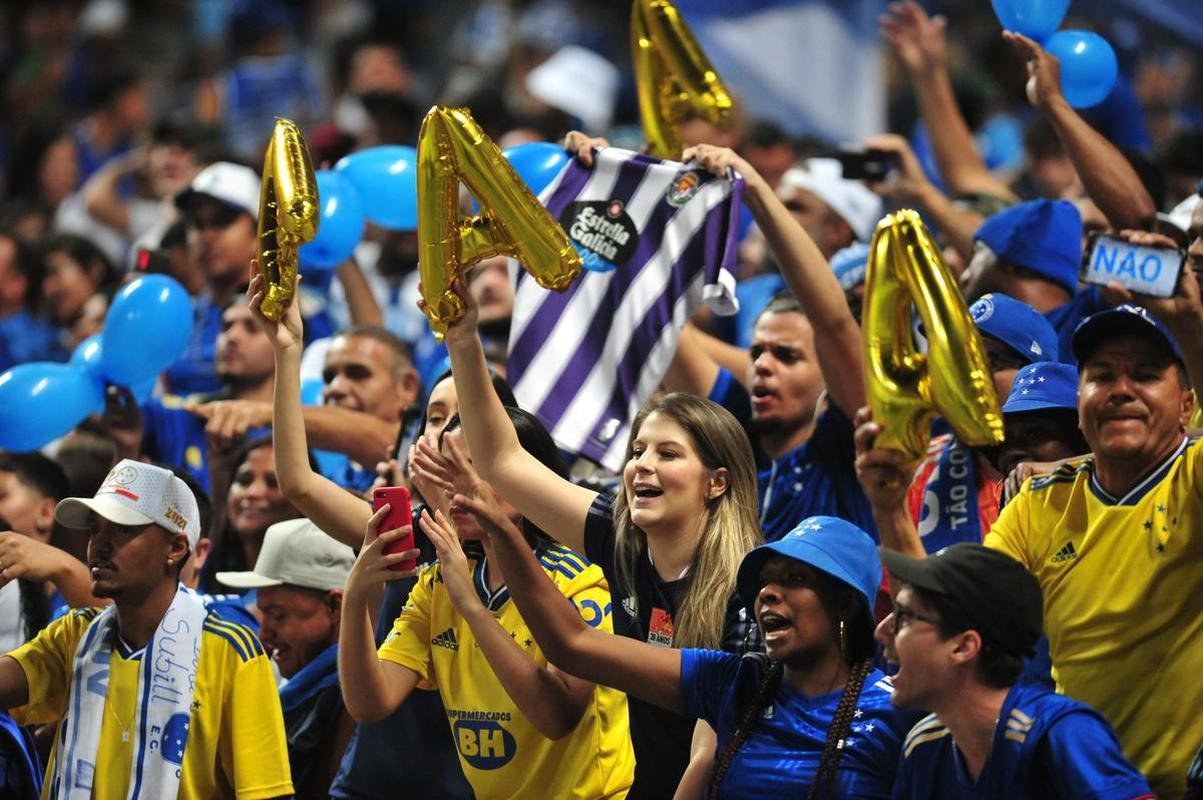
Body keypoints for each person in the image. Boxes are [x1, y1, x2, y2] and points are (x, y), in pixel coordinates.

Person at [253, 270, 634, 799]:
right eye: (434, 420)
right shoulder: (420, 559)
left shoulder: (577, 574)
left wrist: (462, 336)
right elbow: (369, 702)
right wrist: (288, 351)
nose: (446, 444)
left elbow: (557, 715)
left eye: (475, 450)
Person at [444, 275, 763, 796]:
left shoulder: (749, 582)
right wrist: (464, 341)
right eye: (637, 451)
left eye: (668, 454)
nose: (642, 467)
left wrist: (501, 530)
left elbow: (712, 753)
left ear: (717, 482)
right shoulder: (623, 539)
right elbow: (503, 460)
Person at [466, 487, 916, 799]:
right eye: (765, 582)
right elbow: (575, 644)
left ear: (846, 604)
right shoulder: (734, 684)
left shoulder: (898, 711)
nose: (767, 593)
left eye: (795, 579)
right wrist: (501, 533)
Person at [0, 459, 292, 798]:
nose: (99, 545)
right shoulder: (74, 634)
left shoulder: (229, 647)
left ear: (176, 549)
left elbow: (269, 793)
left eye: (123, 529)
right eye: (95, 528)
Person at [878, 543, 1153, 799]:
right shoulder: (923, 746)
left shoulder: (1061, 734)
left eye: (904, 617)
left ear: (964, 647)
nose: (881, 631)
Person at [217, 518, 356, 799]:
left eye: (278, 615)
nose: (264, 633)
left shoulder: (355, 701)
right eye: (263, 613)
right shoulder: (303, 691)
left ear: (334, 605)